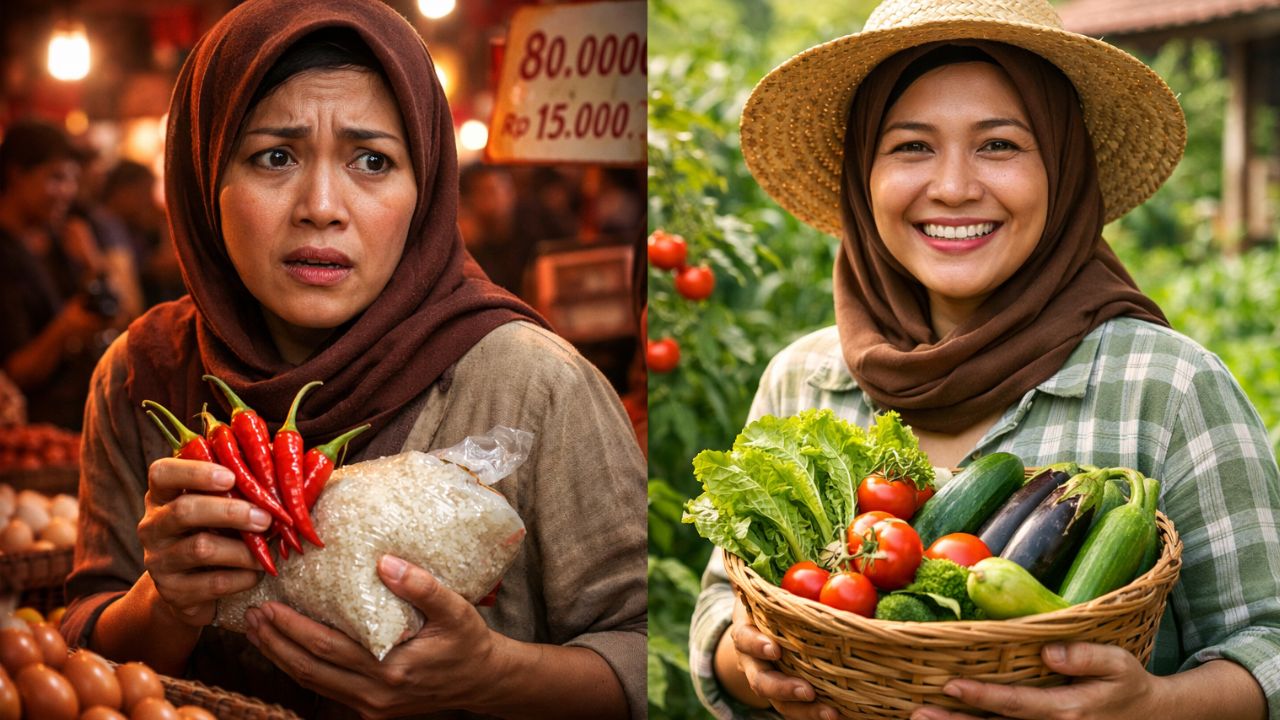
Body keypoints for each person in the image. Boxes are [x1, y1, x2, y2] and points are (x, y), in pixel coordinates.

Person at [688, 0, 1280, 719]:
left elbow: (1268, 641)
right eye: (911, 146)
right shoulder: (802, 379)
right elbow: (724, 604)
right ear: (862, 178)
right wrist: (751, 665)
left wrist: (1153, 707)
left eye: (999, 145)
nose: (954, 186)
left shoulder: (1168, 388)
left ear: (1062, 170)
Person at [58, 1, 646, 718]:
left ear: (425, 187)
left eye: (372, 161)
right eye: (275, 155)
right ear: (205, 176)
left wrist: (492, 674)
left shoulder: (534, 383)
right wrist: (166, 605)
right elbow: (80, 651)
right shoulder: (139, 375)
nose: (322, 206)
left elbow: (650, 650)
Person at [0, 119, 117, 430]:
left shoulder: (60, 241)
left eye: (72, 180)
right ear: (16, 174)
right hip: (29, 432)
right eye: (56, 178)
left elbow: (115, 314)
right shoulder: (6, 253)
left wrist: (92, 264)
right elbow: (16, 371)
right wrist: (67, 327)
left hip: (79, 419)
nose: (67, 191)